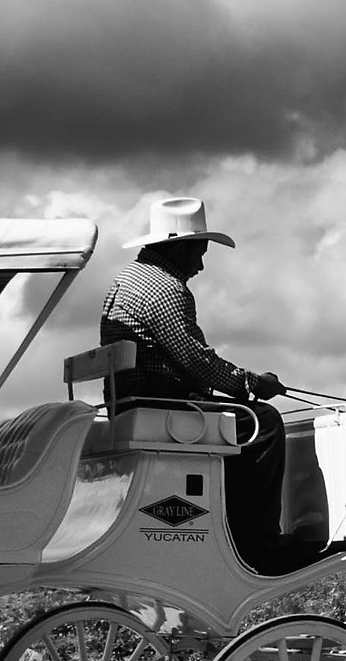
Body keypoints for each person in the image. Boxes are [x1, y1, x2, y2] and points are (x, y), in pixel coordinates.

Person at [100, 197, 313, 571]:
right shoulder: (165, 288)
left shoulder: (128, 278)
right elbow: (198, 362)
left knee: (236, 421)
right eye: (199, 252)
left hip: (133, 402)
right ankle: (258, 545)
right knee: (262, 423)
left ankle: (230, 526)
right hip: (161, 405)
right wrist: (252, 384)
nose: (200, 265)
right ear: (180, 247)